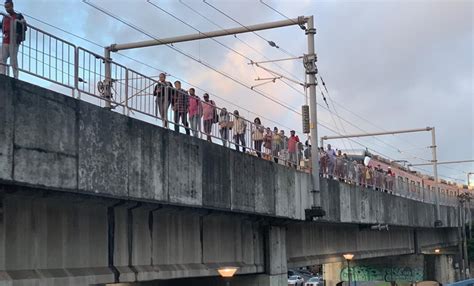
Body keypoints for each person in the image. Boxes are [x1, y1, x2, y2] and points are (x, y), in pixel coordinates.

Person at [0, 0, 26, 79]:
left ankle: (15, 76)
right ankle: (2, 74)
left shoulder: (18, 16)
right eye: (6, 7)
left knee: (13, 59)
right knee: (1, 58)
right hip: (5, 40)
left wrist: (22, 23)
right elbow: (1, 26)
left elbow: (24, 27)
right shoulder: (5, 17)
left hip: (14, 41)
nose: (7, 9)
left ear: (12, 6)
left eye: (8, 7)